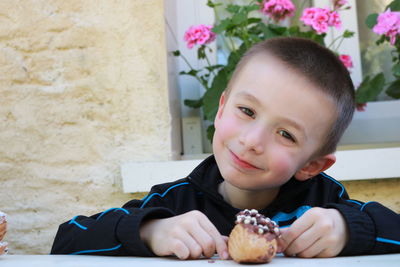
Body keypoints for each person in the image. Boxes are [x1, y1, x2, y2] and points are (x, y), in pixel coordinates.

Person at [51, 37, 400, 259]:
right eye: (246, 111)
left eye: (286, 134)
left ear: (311, 165)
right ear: (220, 109)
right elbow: (67, 240)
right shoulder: (173, 204)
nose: (251, 141)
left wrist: (352, 229)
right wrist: (149, 231)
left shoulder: (327, 207)